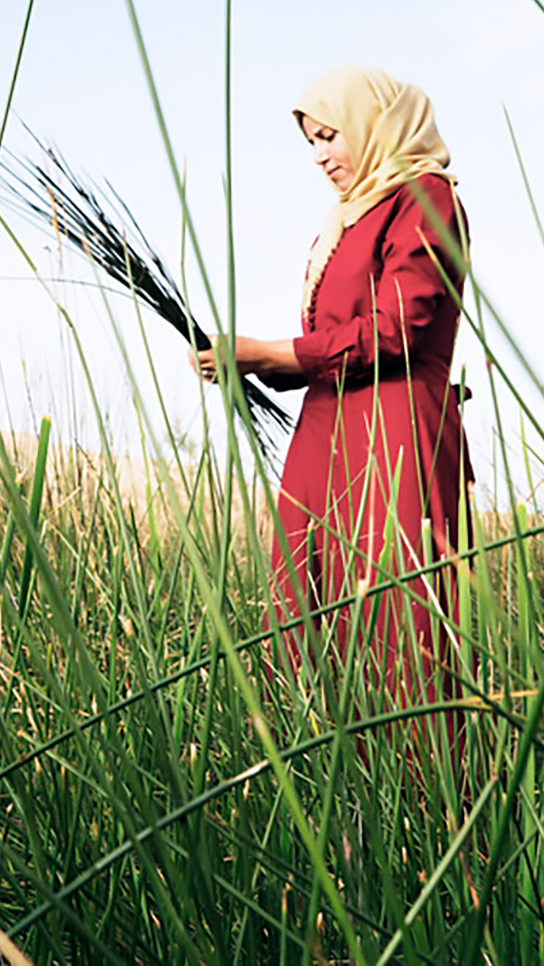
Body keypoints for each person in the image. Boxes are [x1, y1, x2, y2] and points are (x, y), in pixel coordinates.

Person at [196, 64, 472, 718]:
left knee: (398, 622)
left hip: (395, 430)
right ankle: (330, 795)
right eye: (311, 143)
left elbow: (400, 327)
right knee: (303, 602)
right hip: (326, 428)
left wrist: (271, 349)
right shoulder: (347, 215)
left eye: (331, 136)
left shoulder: (425, 196)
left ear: (376, 126)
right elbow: (340, 338)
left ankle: (424, 808)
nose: (320, 157)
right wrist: (270, 366)